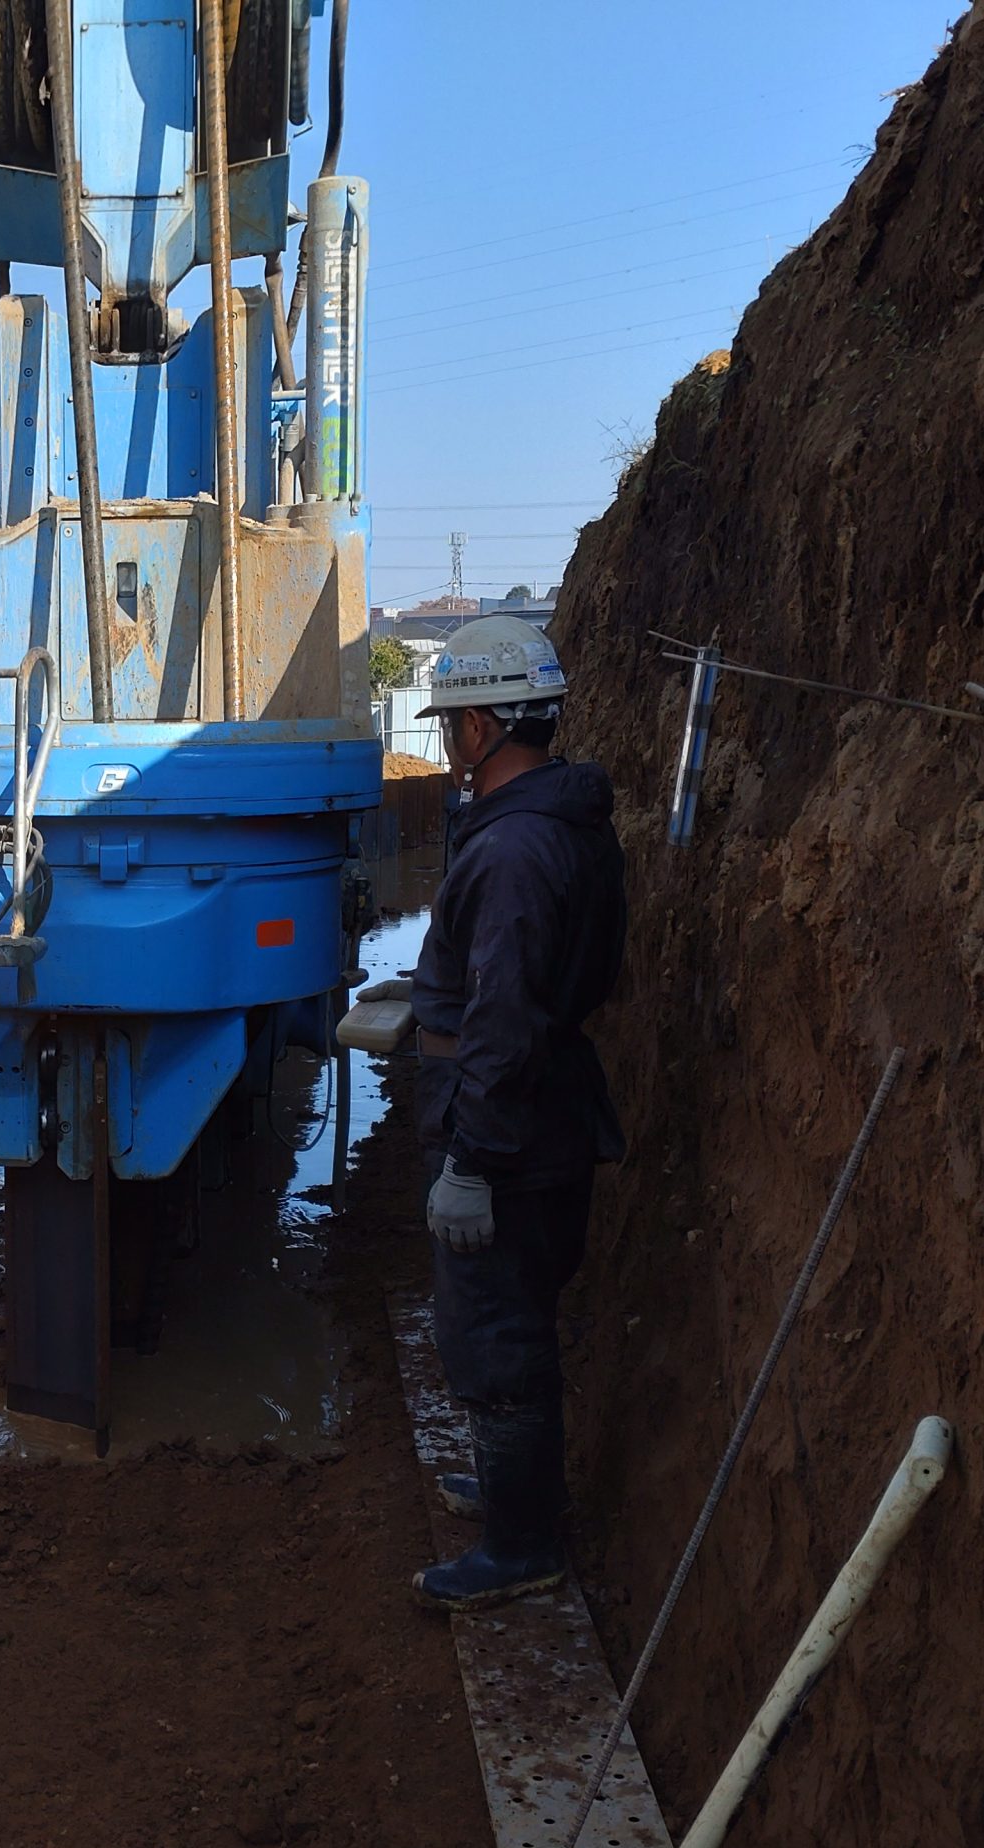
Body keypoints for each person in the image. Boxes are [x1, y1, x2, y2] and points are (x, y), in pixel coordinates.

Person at [403, 617, 627, 1614]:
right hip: (545, 1112)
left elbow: (501, 1021)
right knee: (517, 1320)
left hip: (509, 1132)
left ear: (482, 725)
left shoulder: (514, 851)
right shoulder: (557, 823)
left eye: (451, 725)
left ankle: (521, 1545)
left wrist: (473, 1163)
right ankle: (515, 1493)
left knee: (496, 1340)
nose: (450, 744)